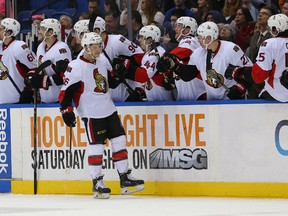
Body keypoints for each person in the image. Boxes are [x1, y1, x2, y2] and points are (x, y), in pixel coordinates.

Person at [58, 32, 144, 199]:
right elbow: (65, 93)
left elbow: (109, 83)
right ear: (85, 47)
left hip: (109, 109)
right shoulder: (76, 67)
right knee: (97, 147)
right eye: (94, 47)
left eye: (99, 46)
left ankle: (124, 177)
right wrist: (66, 111)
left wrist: (119, 73)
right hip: (91, 113)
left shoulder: (103, 60)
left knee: (119, 140)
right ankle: (97, 182)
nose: (98, 49)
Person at [162, 21, 253, 100]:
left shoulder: (231, 49)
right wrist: (175, 66)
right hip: (211, 104)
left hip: (234, 103)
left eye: (200, 37)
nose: (198, 40)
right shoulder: (198, 53)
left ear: (208, 38)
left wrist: (239, 88)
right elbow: (190, 74)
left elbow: (250, 72)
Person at [224, 14, 288, 102]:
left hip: (276, 95)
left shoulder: (270, 44)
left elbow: (259, 76)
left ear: (275, 29)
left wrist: (238, 72)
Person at [91, 15, 145, 102]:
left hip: (128, 96)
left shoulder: (117, 41)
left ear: (97, 30)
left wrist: (126, 65)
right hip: (106, 100)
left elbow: (141, 58)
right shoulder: (87, 50)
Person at [114, 25, 173, 101]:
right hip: (157, 102)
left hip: (163, 103)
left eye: (142, 37)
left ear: (150, 39)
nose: (139, 40)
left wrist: (126, 65)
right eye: (139, 37)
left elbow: (143, 76)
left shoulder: (155, 55)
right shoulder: (152, 53)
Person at [157, 16, 206, 101]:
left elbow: (184, 50)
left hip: (198, 95)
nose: (175, 29)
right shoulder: (183, 43)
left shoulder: (190, 40)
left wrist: (168, 57)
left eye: (179, 26)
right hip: (190, 95)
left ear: (187, 30)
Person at [24, 18, 72, 103]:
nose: (39, 32)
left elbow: (66, 75)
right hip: (44, 98)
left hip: (59, 99)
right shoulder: (41, 46)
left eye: (42, 29)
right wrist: (33, 76)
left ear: (50, 32)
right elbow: (40, 68)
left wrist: (44, 81)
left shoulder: (61, 48)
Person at [0, 18, 37, 104]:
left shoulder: (18, 47)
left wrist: (29, 90)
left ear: (8, 33)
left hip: (16, 100)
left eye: (0, 29)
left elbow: (35, 69)